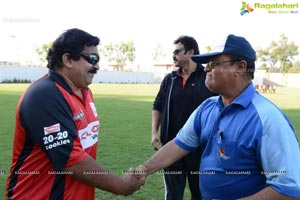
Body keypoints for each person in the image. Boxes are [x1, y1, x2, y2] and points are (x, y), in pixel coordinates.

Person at [135, 34, 300, 199]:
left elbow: (290, 189)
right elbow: (178, 145)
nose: (206, 68)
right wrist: (142, 170)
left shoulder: (268, 119)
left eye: (213, 63)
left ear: (240, 67)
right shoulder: (207, 108)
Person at [6, 28, 144, 200]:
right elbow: (72, 161)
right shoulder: (45, 95)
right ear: (68, 59)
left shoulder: (84, 92)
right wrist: (121, 185)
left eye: (98, 59)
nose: (97, 66)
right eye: (92, 59)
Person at [151, 35, 215, 200]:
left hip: (200, 149)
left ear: (190, 52)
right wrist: (154, 132)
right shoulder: (170, 79)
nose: (174, 55)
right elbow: (157, 105)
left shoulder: (207, 76)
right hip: (172, 147)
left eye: (177, 51)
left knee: (200, 194)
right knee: (173, 195)